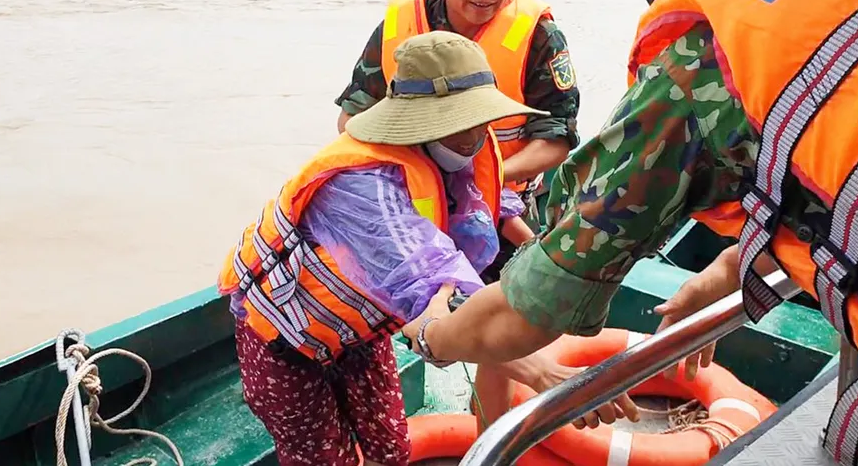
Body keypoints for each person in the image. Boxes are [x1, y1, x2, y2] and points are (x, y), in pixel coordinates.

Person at [401, 0, 858, 462]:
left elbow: (530, 305)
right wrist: (728, 273)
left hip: (503, 220)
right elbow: (841, 174)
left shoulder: (703, 51)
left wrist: (431, 339)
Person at [217, 31, 627, 466]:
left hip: (365, 330)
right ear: (420, 120)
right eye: (461, 122)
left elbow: (493, 205)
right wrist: (541, 371)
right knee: (319, 457)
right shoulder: (362, 189)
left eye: (480, 118)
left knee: (390, 446)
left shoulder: (461, 147)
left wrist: (554, 267)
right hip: (286, 340)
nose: (474, 134)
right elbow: (428, 294)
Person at [335, 0, 582, 282]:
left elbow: (558, 137)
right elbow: (352, 118)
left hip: (502, 206)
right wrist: (419, 178)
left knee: (503, 312)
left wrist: (481, 183)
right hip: (410, 206)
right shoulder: (399, 28)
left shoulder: (538, 36)